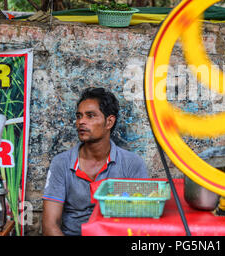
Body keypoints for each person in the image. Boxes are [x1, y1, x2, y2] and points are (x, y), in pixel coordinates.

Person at [42, 87, 149, 236]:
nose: (81, 122)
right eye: (79, 116)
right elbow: (50, 225)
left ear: (109, 122)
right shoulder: (61, 163)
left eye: (90, 116)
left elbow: (141, 220)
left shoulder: (131, 164)